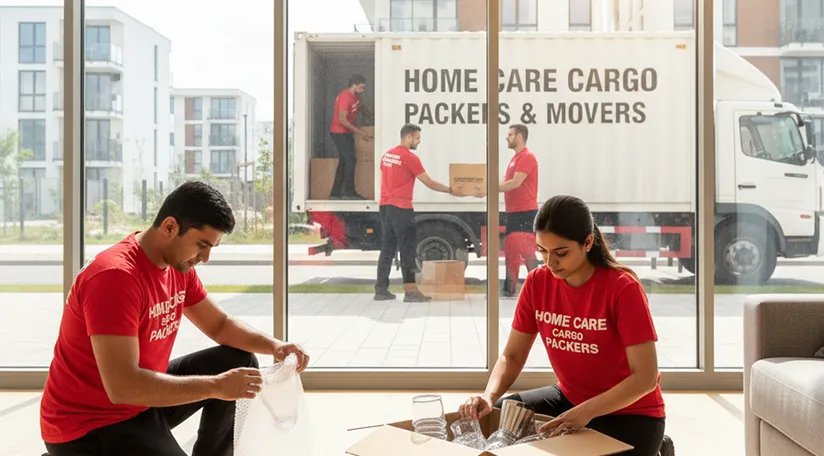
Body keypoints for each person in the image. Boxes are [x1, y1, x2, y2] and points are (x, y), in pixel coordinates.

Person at [40, 181, 310, 456]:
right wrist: (217, 386)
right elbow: (122, 388)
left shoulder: (177, 267)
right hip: (91, 425)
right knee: (224, 382)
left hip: (142, 400)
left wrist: (276, 345)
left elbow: (219, 325)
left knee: (239, 360)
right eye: (202, 245)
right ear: (170, 227)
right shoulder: (115, 278)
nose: (205, 257)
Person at [459, 195, 667, 456]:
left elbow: (645, 379)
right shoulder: (537, 283)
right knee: (502, 414)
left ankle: (660, 447)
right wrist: (488, 396)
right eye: (542, 251)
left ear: (588, 242)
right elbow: (511, 356)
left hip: (632, 414)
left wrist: (586, 412)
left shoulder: (623, 288)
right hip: (570, 401)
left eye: (561, 253)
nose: (550, 263)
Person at [374, 123, 456, 303]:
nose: (419, 142)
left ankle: (380, 289)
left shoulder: (387, 155)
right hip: (401, 208)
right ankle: (411, 292)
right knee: (407, 249)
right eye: (417, 138)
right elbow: (429, 183)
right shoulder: (410, 157)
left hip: (385, 206)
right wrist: (450, 190)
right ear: (408, 137)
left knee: (387, 248)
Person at [477, 124, 540, 298]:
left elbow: (515, 183)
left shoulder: (527, 157)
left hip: (525, 211)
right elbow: (506, 183)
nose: (507, 137)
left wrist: (489, 188)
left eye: (510, 134)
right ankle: (509, 288)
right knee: (511, 251)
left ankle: (540, 288)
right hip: (514, 212)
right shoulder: (515, 159)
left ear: (519, 136)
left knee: (526, 251)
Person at [329, 74, 374, 200]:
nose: (363, 90)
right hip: (338, 133)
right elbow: (342, 120)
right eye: (361, 87)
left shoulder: (356, 97)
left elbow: (361, 107)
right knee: (350, 160)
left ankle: (335, 193)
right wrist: (361, 132)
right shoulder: (345, 97)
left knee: (344, 162)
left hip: (347, 133)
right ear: (354, 85)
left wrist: (372, 116)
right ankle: (350, 193)